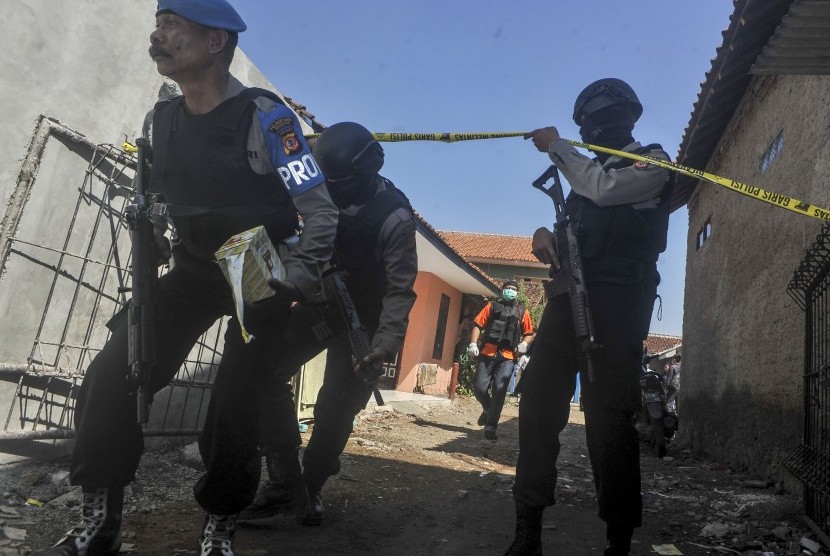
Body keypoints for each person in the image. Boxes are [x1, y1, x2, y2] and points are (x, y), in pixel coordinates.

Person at [33, 2, 338, 555]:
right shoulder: (161, 121)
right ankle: (100, 519)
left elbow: (319, 211)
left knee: (236, 401)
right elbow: (153, 204)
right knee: (111, 373)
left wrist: (296, 275)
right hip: (194, 266)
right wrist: (150, 238)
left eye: (174, 25)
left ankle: (219, 522)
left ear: (216, 42)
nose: (158, 35)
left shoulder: (267, 118)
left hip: (255, 271)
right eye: (159, 22)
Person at [505, 78, 674, 556]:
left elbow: (603, 190)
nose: (601, 123)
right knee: (537, 407)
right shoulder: (585, 171)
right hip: (566, 303)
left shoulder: (653, 160)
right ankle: (527, 532)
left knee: (609, 422)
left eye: (605, 115)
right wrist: (543, 233)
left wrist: (556, 146)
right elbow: (577, 217)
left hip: (618, 307)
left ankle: (618, 540)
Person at [239, 122, 418, 526]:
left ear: (367, 172)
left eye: (341, 183)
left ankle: (311, 486)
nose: (332, 190)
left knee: (336, 408)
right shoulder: (315, 177)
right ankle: (285, 482)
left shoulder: (395, 219)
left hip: (366, 323)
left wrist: (384, 344)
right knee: (264, 371)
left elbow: (400, 289)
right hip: (319, 303)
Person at [467, 280, 534, 441]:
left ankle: (491, 427)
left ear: (517, 293)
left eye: (513, 289)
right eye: (507, 289)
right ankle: (487, 408)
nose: (510, 291)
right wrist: (472, 343)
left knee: (499, 389)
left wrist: (524, 344)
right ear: (502, 290)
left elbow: (529, 333)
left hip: (508, 358)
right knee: (479, 387)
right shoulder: (491, 306)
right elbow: (477, 324)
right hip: (487, 353)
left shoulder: (522, 312)